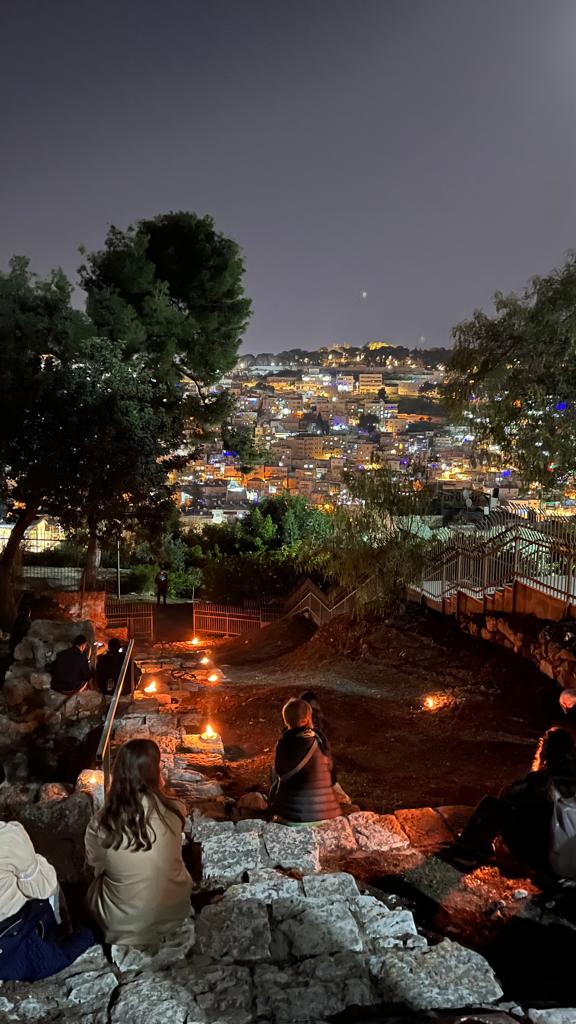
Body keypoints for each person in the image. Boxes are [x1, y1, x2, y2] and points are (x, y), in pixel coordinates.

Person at [85, 738, 192, 945]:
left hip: (123, 926)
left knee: (93, 886)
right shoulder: (176, 810)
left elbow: (95, 864)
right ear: (155, 771)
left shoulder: (101, 824)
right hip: (176, 910)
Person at [452, 727, 576, 870]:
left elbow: (508, 795)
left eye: (544, 744)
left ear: (546, 750)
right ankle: (483, 847)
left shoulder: (542, 780)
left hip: (540, 849)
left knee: (491, 804)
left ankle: (464, 853)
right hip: (564, 848)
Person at [0, 820, 94, 980]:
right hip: (13, 930)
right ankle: (61, 931)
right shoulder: (8, 837)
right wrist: (34, 858)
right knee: (49, 885)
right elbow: (43, 888)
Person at [270, 697, 341, 826]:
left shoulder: (285, 744)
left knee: (274, 771)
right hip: (328, 816)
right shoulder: (321, 741)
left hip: (294, 817)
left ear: (286, 720)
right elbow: (333, 778)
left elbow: (280, 773)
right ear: (307, 718)